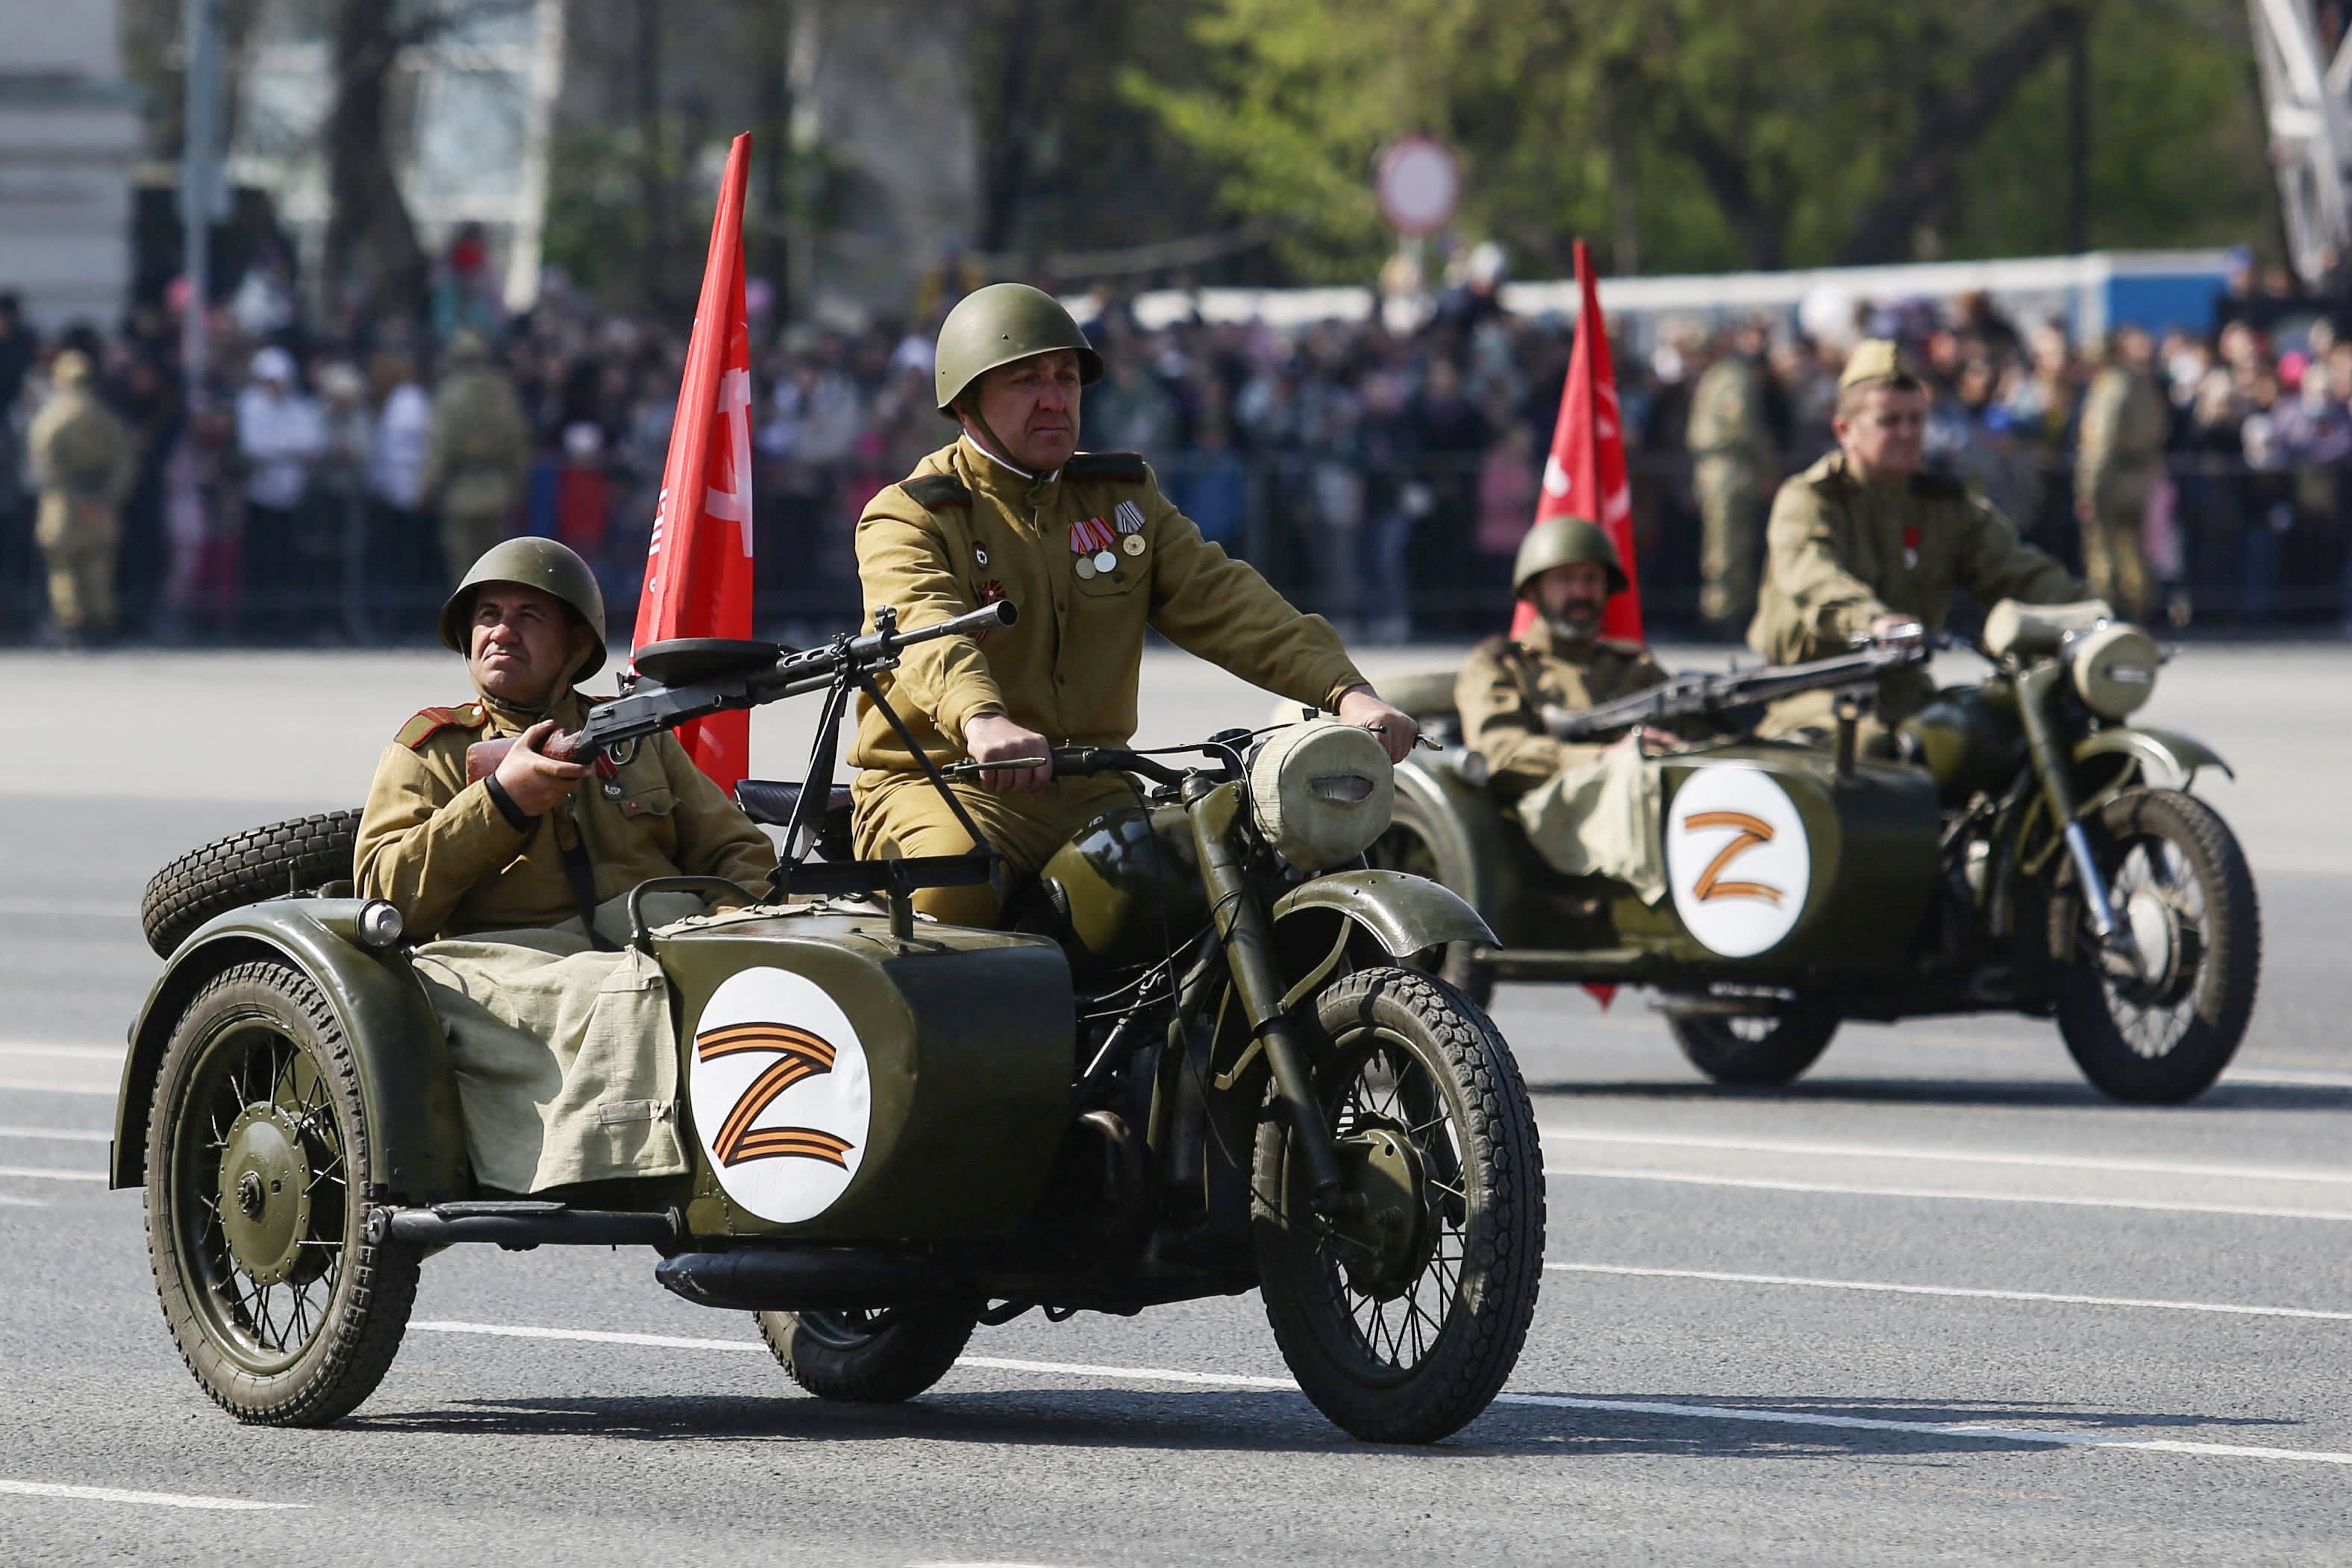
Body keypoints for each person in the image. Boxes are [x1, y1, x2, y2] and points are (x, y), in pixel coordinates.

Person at [848, 281, 1418, 927]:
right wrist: (982, 721)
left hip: (1097, 789)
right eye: (1025, 380)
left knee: (1225, 895)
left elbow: (1225, 598)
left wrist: (1345, 690)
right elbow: (928, 628)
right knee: (953, 886)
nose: (1054, 400)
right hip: (950, 789)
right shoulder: (912, 515)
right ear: (966, 402)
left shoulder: (1120, 498)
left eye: (1067, 378)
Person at [354, 538, 777, 1194]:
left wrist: (731, 926)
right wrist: (500, 801)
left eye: (529, 617)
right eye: (488, 615)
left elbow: (738, 849)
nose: (501, 632)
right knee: (618, 991)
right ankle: (625, 1172)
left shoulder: (635, 735)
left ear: (576, 646)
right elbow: (387, 895)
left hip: (648, 937)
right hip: (502, 962)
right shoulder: (433, 749)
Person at [1748, 339, 2082, 749]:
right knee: (1873, 749)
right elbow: (1812, 575)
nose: (1907, 434)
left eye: (1916, 420)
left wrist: (2093, 616)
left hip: (1906, 693)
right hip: (1813, 694)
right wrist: (1872, 621)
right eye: (1889, 421)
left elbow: (2015, 569)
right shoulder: (1809, 499)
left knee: (2005, 736)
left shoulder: (1943, 506)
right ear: (1844, 430)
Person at [1455, 515, 1696, 903]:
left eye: (1591, 579)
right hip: (1545, 822)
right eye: (1565, 580)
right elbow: (1500, 752)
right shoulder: (1500, 665)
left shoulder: (1634, 666)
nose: (1581, 593)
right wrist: (1604, 756)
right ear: (1535, 590)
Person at [25, 349, 133, 647]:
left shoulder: (51, 417)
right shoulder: (106, 417)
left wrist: (72, 495)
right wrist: (107, 495)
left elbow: (44, 464)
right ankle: (100, 625)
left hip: (64, 503)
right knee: (98, 566)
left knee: (63, 569)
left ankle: (70, 626)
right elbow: (125, 460)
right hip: (99, 502)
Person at [1686, 322, 1775, 635]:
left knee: (1729, 547)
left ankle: (1727, 614)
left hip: (1731, 466)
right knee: (1719, 545)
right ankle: (1720, 610)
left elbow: (1743, 426)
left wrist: (1764, 469)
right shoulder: (1715, 376)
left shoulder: (1731, 376)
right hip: (1715, 465)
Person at [421, 330, 530, 586]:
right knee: (496, 566)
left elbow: (441, 447)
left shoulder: (449, 395)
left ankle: (466, 623)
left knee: (463, 570)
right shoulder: (503, 393)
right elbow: (517, 444)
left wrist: (427, 489)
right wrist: (516, 488)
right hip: (497, 488)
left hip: (460, 492)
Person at [2074, 327, 2166, 623]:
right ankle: (2140, 611)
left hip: (2112, 478)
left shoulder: (2110, 388)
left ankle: (2109, 614)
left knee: (2105, 550)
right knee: (2134, 551)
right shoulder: (2140, 384)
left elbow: (2101, 444)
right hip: (2140, 476)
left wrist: (2088, 490)